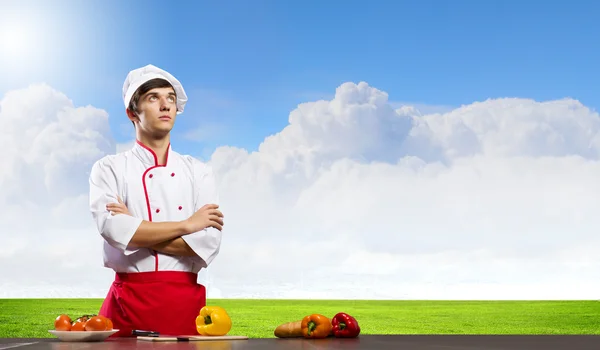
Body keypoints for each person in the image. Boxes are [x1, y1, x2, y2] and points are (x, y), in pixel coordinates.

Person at [88, 64, 224, 337]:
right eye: (153, 98)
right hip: (126, 307)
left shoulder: (199, 171)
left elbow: (207, 243)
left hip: (187, 307)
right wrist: (188, 225)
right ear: (131, 113)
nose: (165, 105)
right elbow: (114, 231)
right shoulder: (109, 169)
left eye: (170, 98)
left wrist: (136, 231)